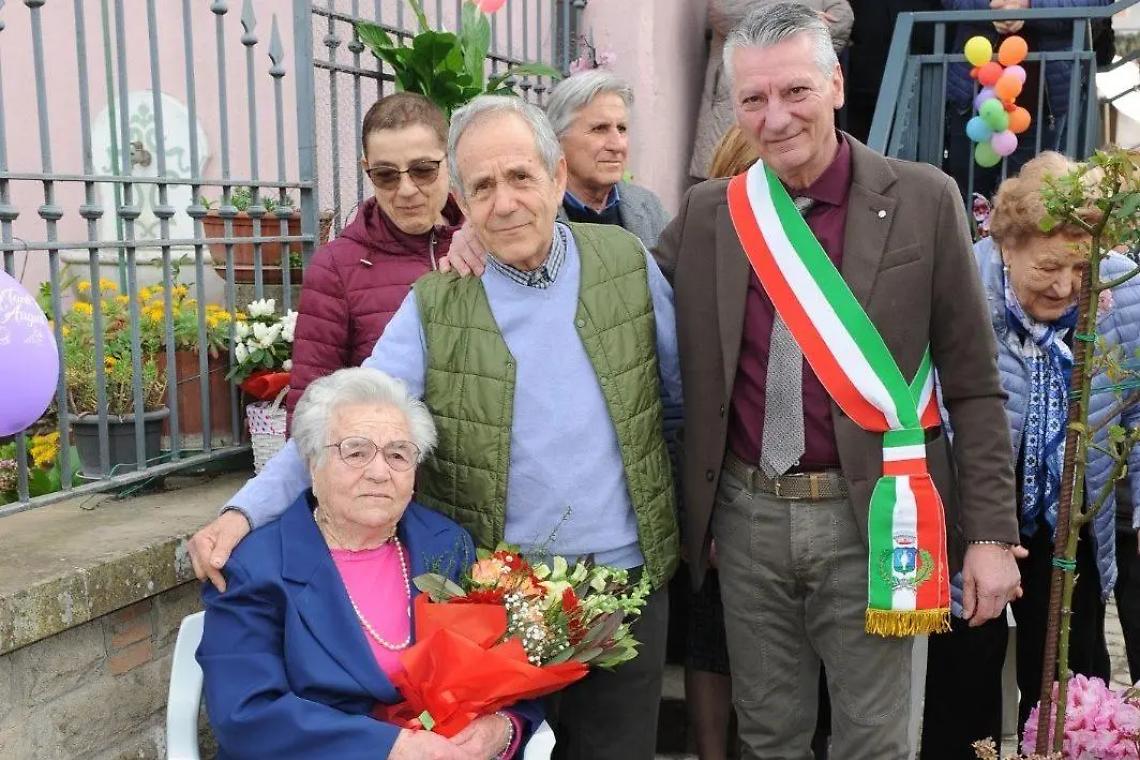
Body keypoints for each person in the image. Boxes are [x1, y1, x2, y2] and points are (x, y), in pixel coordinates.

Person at [188, 95, 683, 760]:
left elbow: (675, 405)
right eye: (482, 186)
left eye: (520, 177)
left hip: (626, 587)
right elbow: (341, 424)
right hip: (494, 599)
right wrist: (242, 513)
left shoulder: (627, 261)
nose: (504, 202)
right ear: (463, 201)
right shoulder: (438, 302)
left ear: (558, 175)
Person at [655, 5, 1023, 758]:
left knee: (875, 741)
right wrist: (479, 232)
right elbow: (610, 285)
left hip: (875, 517)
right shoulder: (707, 215)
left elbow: (975, 384)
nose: (776, 116)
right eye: (754, 99)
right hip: (747, 519)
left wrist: (988, 534)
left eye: (794, 91)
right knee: (767, 736)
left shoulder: (924, 198)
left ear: (836, 84)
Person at [198, 367, 541, 759]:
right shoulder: (255, 567)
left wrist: (504, 728)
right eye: (355, 451)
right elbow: (245, 714)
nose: (379, 472)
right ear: (312, 464)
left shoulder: (446, 545)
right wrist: (389, 748)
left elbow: (513, 670)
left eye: (398, 454)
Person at [923, 152, 1131, 757]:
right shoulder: (958, 288)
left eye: (1079, 268)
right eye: (1048, 266)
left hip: (1075, 519)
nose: (1065, 286)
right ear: (1006, 245)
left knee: (1072, 675)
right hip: (981, 510)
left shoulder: (1123, 290)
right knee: (966, 673)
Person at [285, 93, 464, 422]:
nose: (407, 189)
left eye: (423, 170)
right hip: (389, 467)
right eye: (386, 175)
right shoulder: (337, 267)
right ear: (366, 170)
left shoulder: (487, 244)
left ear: (450, 160)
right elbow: (310, 409)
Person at [941, 0, 1112, 202]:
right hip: (975, 98)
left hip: (1042, 102)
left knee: (1033, 201)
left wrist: (1029, 6)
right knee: (966, 196)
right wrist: (992, 7)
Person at [689, 0, 853, 181]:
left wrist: (806, 34)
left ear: (837, 84)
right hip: (729, 113)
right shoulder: (701, 203)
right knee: (728, 185)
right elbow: (725, 11)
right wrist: (800, 21)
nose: (778, 121)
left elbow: (842, 18)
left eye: (797, 90)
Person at [543, 69, 671, 249]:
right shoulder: (536, 215)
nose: (617, 145)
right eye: (599, 129)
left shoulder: (649, 208)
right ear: (557, 139)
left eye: (622, 129)